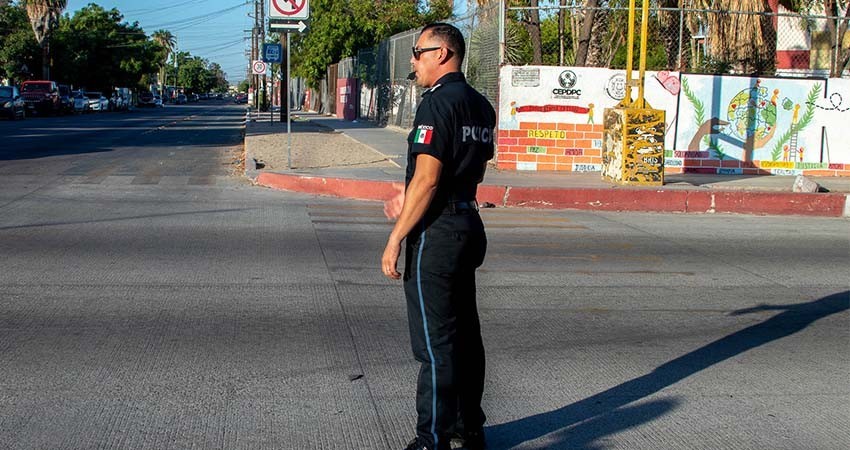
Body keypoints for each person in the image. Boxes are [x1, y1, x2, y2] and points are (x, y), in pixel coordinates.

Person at [381, 22, 495, 450]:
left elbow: (428, 180)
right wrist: (408, 192)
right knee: (466, 335)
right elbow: (460, 171)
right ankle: (470, 429)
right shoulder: (481, 106)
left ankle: (431, 439)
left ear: (443, 53)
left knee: (435, 342)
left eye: (419, 51)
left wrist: (396, 237)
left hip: (439, 232)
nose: (413, 60)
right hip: (468, 224)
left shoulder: (436, 104)